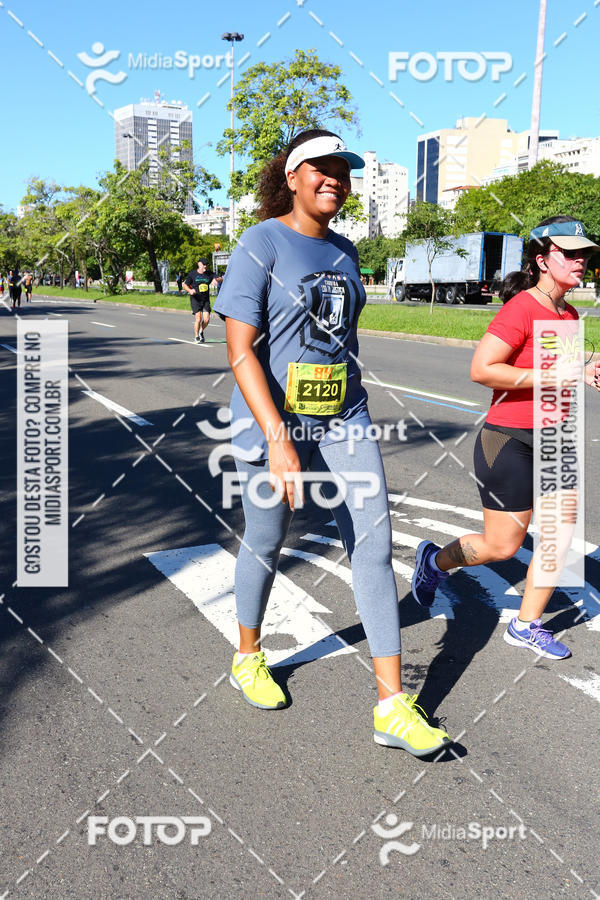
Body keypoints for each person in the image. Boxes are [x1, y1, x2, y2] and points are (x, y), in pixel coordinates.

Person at [213, 128, 452, 756]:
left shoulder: (346, 251)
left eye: (342, 171)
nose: (334, 180)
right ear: (291, 177)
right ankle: (247, 656)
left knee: (372, 544)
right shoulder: (261, 242)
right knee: (267, 537)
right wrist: (279, 438)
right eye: (319, 168)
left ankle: (391, 707)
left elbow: (340, 343)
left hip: (344, 415)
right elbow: (240, 351)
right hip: (272, 420)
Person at [412, 215, 600, 660]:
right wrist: (562, 373)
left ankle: (525, 625)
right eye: (570, 253)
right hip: (508, 439)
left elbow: (555, 379)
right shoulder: (521, 308)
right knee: (502, 546)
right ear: (542, 259)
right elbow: (482, 369)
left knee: (557, 538)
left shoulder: (569, 314)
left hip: (555, 439)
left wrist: (585, 372)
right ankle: (435, 562)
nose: (580, 261)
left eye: (585, 254)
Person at [183, 258, 218, 343]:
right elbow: (185, 285)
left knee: (206, 319)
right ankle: (196, 336)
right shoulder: (192, 274)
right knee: (198, 318)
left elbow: (217, 277)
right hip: (195, 299)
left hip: (205, 300)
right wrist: (190, 290)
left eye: (206, 265)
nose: (205, 266)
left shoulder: (209, 274)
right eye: (203, 264)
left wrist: (215, 280)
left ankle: (201, 331)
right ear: (199, 264)